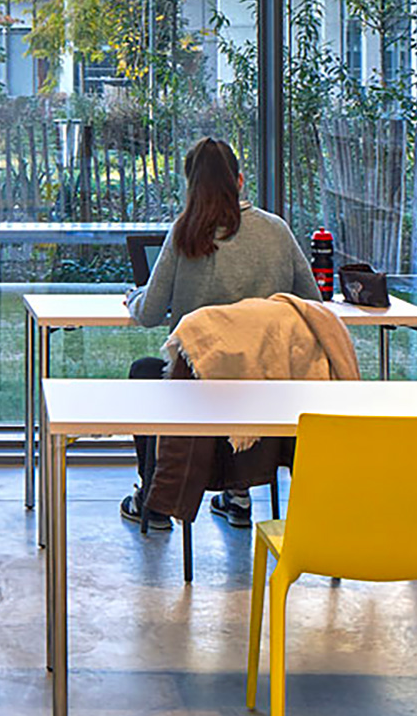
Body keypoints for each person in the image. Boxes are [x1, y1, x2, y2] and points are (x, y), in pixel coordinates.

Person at [121, 138, 320, 530]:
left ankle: (154, 503)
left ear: (189, 187)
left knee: (145, 373)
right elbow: (310, 301)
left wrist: (134, 297)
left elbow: (148, 314)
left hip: (199, 395)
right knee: (238, 377)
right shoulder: (277, 230)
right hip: (269, 390)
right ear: (241, 181)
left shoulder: (185, 233)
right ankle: (239, 495)